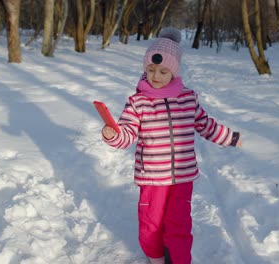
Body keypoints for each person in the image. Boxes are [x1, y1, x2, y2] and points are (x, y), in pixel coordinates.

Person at [101, 27, 242, 264]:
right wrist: (112, 134)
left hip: (182, 177)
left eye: (163, 71)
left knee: (179, 223)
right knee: (151, 223)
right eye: (151, 69)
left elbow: (204, 124)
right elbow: (127, 133)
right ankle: (155, 258)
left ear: (174, 71)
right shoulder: (138, 102)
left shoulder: (187, 98)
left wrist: (230, 137)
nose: (156, 75)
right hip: (153, 177)